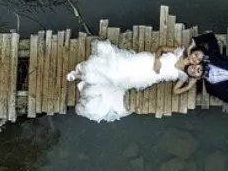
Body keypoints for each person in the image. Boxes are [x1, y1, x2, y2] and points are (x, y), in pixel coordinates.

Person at [66, 40, 200, 122]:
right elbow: (161, 48)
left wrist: (189, 87)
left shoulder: (184, 76)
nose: (195, 59)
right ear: (192, 52)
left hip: (148, 77)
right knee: (115, 68)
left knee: (117, 78)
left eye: (198, 59)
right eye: (195, 54)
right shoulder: (180, 52)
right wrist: (157, 60)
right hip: (146, 61)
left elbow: (176, 91)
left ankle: (86, 78)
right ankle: (80, 74)